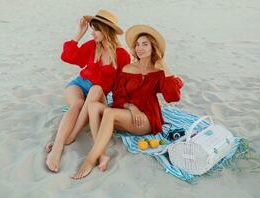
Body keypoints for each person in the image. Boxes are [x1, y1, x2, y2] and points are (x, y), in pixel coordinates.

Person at [71, 25, 184, 179]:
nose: (140, 48)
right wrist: (131, 107)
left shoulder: (159, 72)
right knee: (92, 106)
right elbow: (118, 96)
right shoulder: (127, 69)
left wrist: (163, 63)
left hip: (145, 119)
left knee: (109, 113)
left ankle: (90, 159)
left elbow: (173, 97)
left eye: (145, 44)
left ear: (153, 47)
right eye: (137, 44)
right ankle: (101, 154)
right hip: (126, 114)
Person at [45, 10, 130, 172]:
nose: (92, 33)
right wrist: (80, 32)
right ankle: (57, 148)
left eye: (95, 29)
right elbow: (67, 56)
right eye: (91, 29)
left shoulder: (122, 55)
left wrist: (118, 106)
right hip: (78, 85)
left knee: (91, 96)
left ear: (106, 30)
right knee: (77, 103)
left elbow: (120, 85)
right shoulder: (92, 46)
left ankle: (67, 139)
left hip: (96, 93)